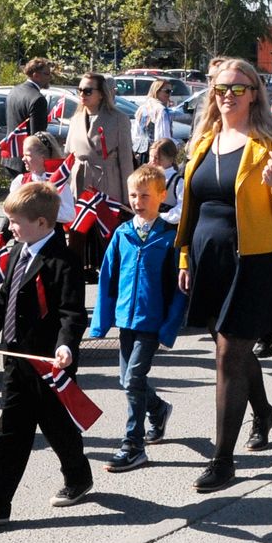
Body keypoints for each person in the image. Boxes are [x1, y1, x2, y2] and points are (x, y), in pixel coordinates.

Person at [175, 57, 272, 493]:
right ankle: (263, 411)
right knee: (231, 347)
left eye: (236, 88)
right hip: (206, 259)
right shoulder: (203, 141)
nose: (226, 96)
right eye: (219, 89)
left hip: (252, 261)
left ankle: (222, 460)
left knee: (228, 355)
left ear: (255, 93)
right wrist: (183, 260)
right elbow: (191, 209)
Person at [0, 181, 91, 526]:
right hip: (16, 360)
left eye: (16, 221)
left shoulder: (63, 260)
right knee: (12, 432)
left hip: (48, 363)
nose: (10, 228)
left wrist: (65, 345)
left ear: (43, 224)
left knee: (58, 425)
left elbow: (72, 312)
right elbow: (5, 299)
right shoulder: (20, 250)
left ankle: (78, 476)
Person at [91, 165, 186, 474]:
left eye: (145, 195)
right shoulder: (123, 233)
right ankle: (158, 410)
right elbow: (108, 278)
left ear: (161, 196)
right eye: (133, 195)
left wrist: (169, 327)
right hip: (125, 320)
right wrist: (100, 323)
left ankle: (133, 445)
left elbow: (178, 290)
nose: (138, 201)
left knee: (132, 381)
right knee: (127, 380)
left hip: (151, 322)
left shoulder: (169, 237)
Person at [64, 71, 135, 275]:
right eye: (79, 90)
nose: (82, 95)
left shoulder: (118, 119)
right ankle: (75, 288)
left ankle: (113, 287)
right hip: (80, 183)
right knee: (77, 238)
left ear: (101, 94)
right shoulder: (76, 118)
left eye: (87, 90)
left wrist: (127, 197)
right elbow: (68, 155)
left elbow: (125, 161)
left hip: (107, 183)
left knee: (109, 238)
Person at [4, 58, 54, 170]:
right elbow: (37, 136)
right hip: (27, 162)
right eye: (47, 74)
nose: (50, 77)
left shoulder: (14, 91)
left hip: (10, 157)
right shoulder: (37, 99)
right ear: (36, 75)